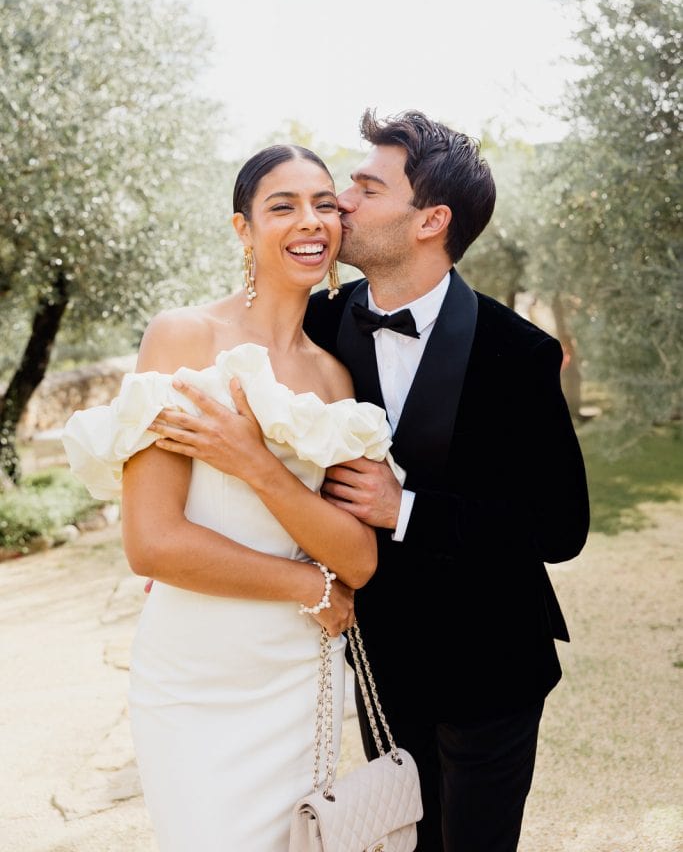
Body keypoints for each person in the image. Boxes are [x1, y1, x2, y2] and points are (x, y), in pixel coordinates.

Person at [150, 109, 591, 852]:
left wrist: (406, 507)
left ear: (430, 220)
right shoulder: (318, 330)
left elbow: (558, 527)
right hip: (377, 659)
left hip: (491, 666)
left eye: (364, 187)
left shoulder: (517, 353)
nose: (341, 204)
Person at [61, 143, 406, 852]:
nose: (309, 221)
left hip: (296, 678)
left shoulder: (335, 381)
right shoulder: (185, 337)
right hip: (195, 677)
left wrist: (253, 461)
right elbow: (152, 544)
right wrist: (309, 585)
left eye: (322, 204)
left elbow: (359, 561)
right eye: (282, 206)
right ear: (242, 230)